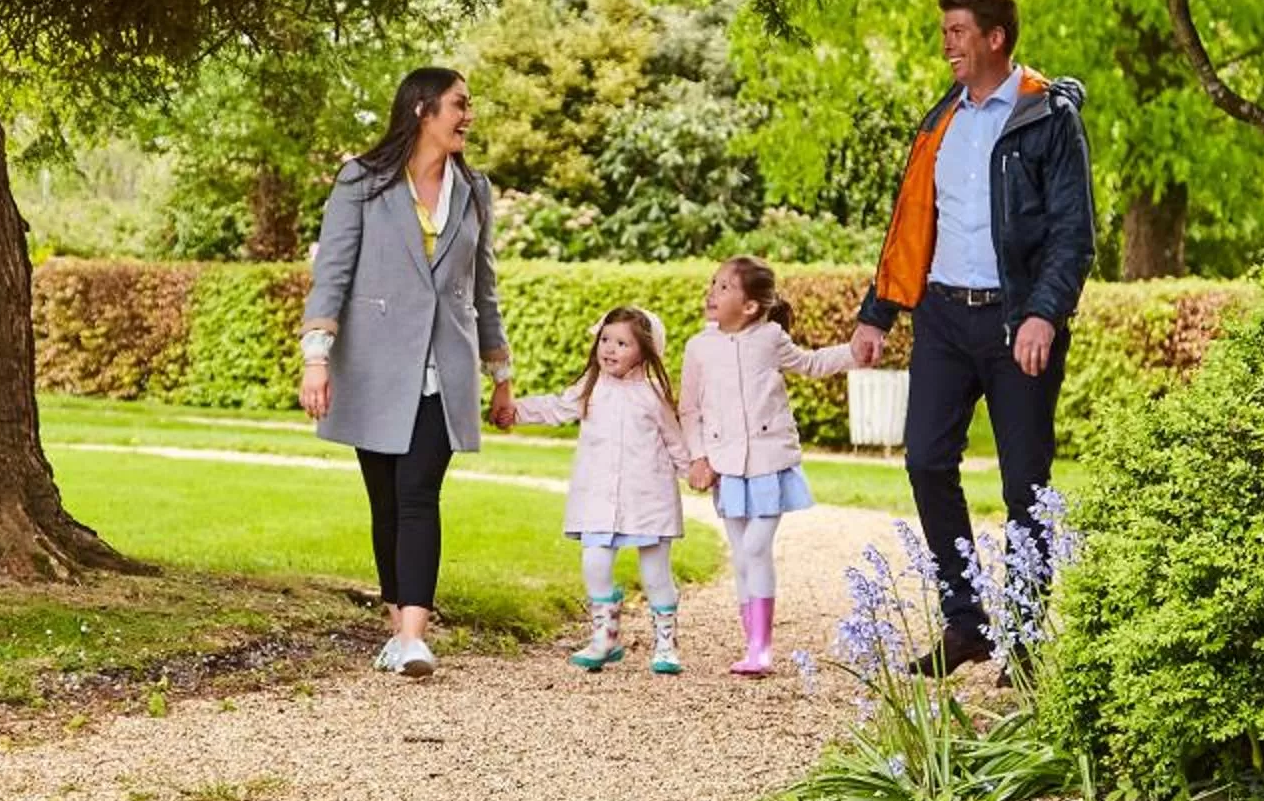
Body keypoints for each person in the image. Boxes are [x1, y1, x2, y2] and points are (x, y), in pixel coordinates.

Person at [847, 0, 1094, 668]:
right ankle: (966, 623)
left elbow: (1073, 234)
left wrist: (1045, 312)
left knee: (1025, 485)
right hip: (944, 319)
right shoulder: (941, 120)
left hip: (1018, 325)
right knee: (925, 459)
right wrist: (878, 315)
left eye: (958, 30)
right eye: (946, 30)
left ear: (995, 38)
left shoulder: (1046, 116)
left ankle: (1020, 634)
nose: (947, 42)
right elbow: (912, 224)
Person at [298, 67, 518, 678]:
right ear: (423, 109)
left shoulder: (474, 189)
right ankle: (398, 629)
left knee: (420, 492)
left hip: (443, 368)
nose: (467, 116)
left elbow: (484, 287)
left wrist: (500, 373)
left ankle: (415, 635)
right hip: (372, 364)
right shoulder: (362, 182)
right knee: (387, 502)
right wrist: (316, 358)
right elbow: (333, 274)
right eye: (459, 104)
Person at [679, 256, 855, 677]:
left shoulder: (770, 337)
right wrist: (698, 457)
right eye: (713, 283)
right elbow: (689, 409)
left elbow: (810, 364)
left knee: (755, 548)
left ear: (751, 306)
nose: (712, 292)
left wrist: (855, 352)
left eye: (724, 287)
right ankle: (753, 645)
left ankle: (762, 647)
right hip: (726, 465)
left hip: (768, 461)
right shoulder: (698, 347)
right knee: (742, 556)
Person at [505, 307, 692, 674]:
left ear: (646, 351)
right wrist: (516, 411)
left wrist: (695, 471)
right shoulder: (591, 387)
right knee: (595, 562)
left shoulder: (653, 395)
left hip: (648, 498)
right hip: (598, 496)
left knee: (656, 572)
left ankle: (666, 643)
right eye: (605, 339)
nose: (609, 348)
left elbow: (675, 442)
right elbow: (556, 408)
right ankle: (605, 637)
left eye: (622, 343)